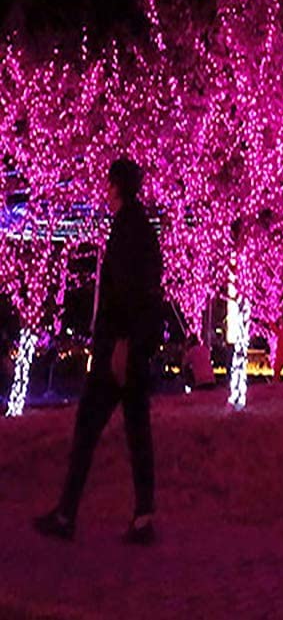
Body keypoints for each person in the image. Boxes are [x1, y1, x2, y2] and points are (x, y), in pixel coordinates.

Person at [35, 157, 163, 545]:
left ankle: (66, 514)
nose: (104, 192)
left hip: (118, 349)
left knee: (88, 428)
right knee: (137, 431)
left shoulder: (128, 229)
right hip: (134, 347)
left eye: (108, 185)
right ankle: (142, 516)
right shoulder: (140, 227)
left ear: (117, 186)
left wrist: (120, 343)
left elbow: (126, 290)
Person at [271, 314, 283, 381]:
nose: (281, 322)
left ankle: (276, 379)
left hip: (282, 348)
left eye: (282, 321)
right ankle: (276, 379)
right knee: (277, 366)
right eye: (280, 321)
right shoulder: (279, 330)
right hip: (278, 348)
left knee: (280, 363)